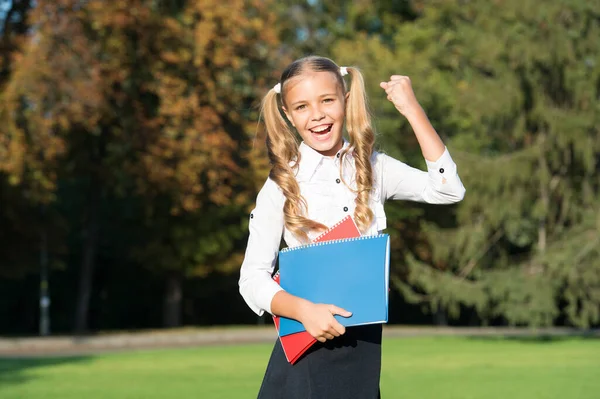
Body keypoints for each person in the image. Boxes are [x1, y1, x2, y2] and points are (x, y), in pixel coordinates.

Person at [239, 56, 466, 398]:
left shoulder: (374, 167)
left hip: (364, 355)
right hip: (307, 359)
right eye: (302, 106)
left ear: (345, 97)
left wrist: (413, 111)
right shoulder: (281, 186)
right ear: (288, 114)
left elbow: (448, 190)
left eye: (327, 100)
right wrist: (304, 310)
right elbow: (251, 279)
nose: (317, 115)